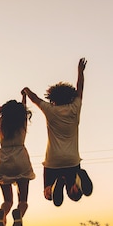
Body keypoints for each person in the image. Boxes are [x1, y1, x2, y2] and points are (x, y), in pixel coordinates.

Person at [22, 57, 93, 207]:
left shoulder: (50, 110)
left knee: (51, 195)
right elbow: (80, 88)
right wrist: (80, 72)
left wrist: (26, 91)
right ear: (71, 97)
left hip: (53, 160)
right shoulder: (75, 107)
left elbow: (35, 99)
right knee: (62, 195)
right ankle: (76, 184)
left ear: (52, 99)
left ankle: (58, 184)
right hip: (72, 160)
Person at [0, 92, 35, 226]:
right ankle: (18, 214)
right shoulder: (22, 121)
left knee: (7, 201)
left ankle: (3, 213)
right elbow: (23, 109)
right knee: (23, 201)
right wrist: (24, 96)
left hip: (4, 160)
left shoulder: (1, 123)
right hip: (21, 159)